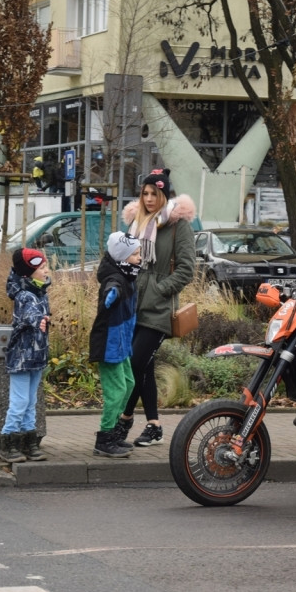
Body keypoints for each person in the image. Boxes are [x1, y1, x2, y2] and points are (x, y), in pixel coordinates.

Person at [115, 169, 196, 447]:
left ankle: (123, 420)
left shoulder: (178, 225)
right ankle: (154, 426)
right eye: (145, 193)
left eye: (154, 193)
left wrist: (159, 290)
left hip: (159, 309)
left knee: (136, 362)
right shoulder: (137, 221)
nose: (148, 199)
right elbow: (125, 257)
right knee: (143, 367)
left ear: (163, 194)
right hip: (134, 305)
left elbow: (187, 269)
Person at [90, 232, 142, 458]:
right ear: (123, 256)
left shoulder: (128, 275)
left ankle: (113, 435)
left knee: (129, 385)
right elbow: (110, 289)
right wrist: (112, 294)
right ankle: (104, 438)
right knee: (117, 391)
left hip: (122, 343)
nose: (140, 258)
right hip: (109, 344)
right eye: (136, 254)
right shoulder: (116, 279)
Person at [0, 248, 52, 464]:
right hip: (22, 357)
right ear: (28, 273)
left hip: (36, 356)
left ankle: (30, 441)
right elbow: (29, 315)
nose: (47, 270)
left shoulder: (41, 293)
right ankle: (8, 442)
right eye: (42, 268)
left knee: (31, 401)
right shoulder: (24, 295)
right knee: (20, 401)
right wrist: (38, 320)